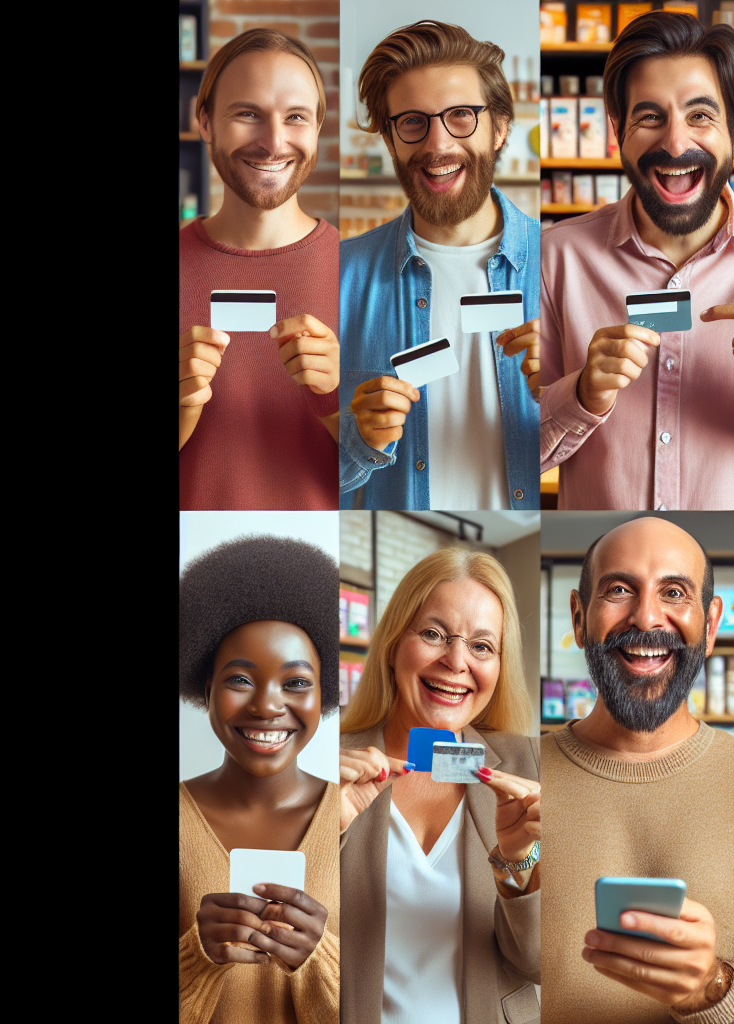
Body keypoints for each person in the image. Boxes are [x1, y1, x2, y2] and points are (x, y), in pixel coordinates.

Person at [539, 12, 734, 510]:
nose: (675, 142)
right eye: (650, 117)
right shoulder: (555, 257)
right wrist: (579, 395)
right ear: (617, 132)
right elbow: (502, 454)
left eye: (700, 116)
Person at [541, 517, 734, 1023]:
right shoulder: (520, 773)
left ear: (712, 623)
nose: (647, 616)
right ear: (579, 616)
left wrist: (709, 993)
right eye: (620, 589)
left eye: (674, 592)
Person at [339, 20, 541, 511]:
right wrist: (356, 440)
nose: (437, 145)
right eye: (413, 121)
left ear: (499, 127)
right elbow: (298, 476)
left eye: (461, 116)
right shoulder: (340, 275)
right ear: (390, 140)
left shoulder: (564, 267)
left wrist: (572, 398)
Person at [336, 549, 541, 1024]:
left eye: (482, 647)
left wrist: (517, 863)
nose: (455, 661)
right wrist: (327, 830)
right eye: (433, 634)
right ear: (392, 644)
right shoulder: (325, 764)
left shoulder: (528, 765)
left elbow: (540, 964)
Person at [179, 536, 342, 1023]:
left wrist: (322, 962)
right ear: (205, 689)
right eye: (241, 680)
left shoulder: (358, 814)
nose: (268, 706)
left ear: (324, 693)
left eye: (295, 682)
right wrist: (194, 955)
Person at [179, 29, 340, 509]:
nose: (273, 143)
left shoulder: (365, 274)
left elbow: (394, 474)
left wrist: (337, 403)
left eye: (295, 117)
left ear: (317, 127)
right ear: (204, 121)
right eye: (247, 114)